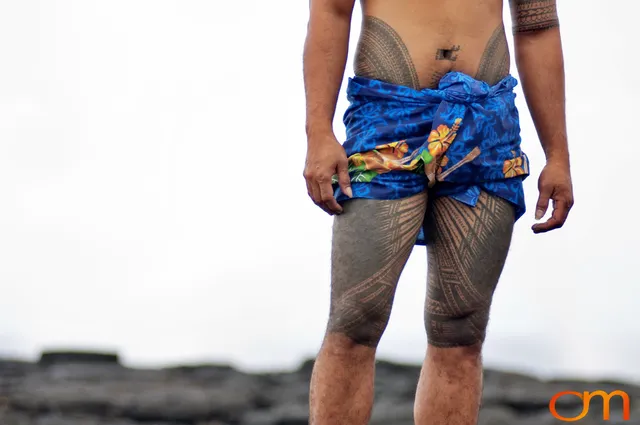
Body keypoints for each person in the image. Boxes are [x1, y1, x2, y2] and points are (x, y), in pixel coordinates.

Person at [302, 0, 574, 423]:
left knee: (460, 329)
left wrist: (558, 154)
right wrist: (318, 131)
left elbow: (537, 27)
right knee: (356, 321)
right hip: (386, 122)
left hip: (486, 123)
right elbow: (331, 12)